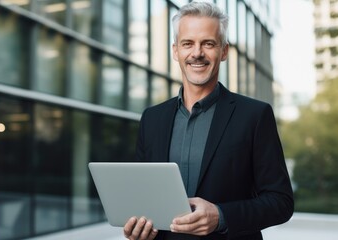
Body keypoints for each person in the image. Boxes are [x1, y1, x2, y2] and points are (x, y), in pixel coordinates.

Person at [123, 1, 294, 240]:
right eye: (187, 44)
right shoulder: (152, 118)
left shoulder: (255, 115)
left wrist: (221, 216)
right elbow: (143, 196)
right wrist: (138, 227)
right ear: (176, 51)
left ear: (223, 51)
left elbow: (281, 202)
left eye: (208, 44)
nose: (197, 53)